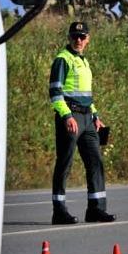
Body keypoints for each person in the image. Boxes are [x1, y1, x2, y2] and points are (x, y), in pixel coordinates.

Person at [49, 20, 114, 224]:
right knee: (64, 163)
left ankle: (95, 209)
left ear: (88, 39)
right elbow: (55, 92)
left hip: (87, 118)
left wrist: (95, 116)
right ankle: (59, 211)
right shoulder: (63, 59)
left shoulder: (83, 61)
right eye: (75, 36)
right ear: (69, 37)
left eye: (82, 37)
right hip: (71, 117)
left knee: (95, 162)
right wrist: (66, 116)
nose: (78, 40)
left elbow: (87, 95)